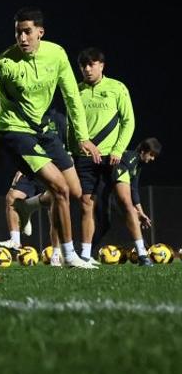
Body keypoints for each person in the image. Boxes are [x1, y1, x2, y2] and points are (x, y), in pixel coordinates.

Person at [0, 8, 101, 269]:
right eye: (18, 32)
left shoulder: (57, 55)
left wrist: (83, 137)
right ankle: (68, 255)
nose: (22, 38)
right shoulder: (4, 63)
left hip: (43, 130)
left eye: (28, 32)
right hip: (13, 130)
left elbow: (71, 98)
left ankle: (27, 206)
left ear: (40, 33)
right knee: (60, 189)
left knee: (75, 191)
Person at [68, 48, 135, 265]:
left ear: (101, 65)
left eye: (91, 64)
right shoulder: (76, 91)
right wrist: (70, 150)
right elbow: (71, 126)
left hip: (111, 157)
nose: (87, 69)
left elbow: (128, 121)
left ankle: (142, 252)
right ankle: (86, 255)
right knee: (86, 204)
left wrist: (117, 149)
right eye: (83, 66)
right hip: (84, 158)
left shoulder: (117, 87)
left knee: (125, 201)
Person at [99, 138, 162, 263]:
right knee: (126, 215)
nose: (152, 159)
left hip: (110, 195)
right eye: (151, 155)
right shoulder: (129, 158)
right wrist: (133, 210)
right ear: (143, 151)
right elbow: (124, 196)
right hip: (102, 192)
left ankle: (83, 254)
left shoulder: (138, 165)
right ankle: (143, 254)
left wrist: (141, 212)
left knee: (104, 225)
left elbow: (134, 189)